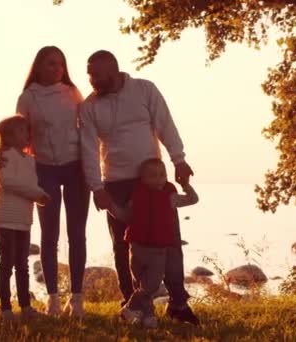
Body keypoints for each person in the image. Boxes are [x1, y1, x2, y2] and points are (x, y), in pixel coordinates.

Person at [79, 50, 200, 325]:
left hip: (153, 181)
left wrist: (179, 160)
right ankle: (132, 305)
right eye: (89, 75)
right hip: (116, 184)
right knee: (124, 248)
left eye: (96, 74)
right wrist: (97, 188)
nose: (91, 80)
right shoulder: (89, 107)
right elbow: (88, 149)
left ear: (113, 70)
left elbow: (166, 125)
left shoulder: (144, 90)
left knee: (169, 243)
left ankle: (178, 305)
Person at [14, 46, 90, 316]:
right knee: (49, 235)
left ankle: (77, 299)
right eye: (50, 64)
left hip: (76, 168)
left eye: (60, 64)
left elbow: (88, 130)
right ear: (38, 66)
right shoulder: (28, 97)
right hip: (44, 169)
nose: (56, 68)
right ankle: (53, 299)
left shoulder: (72, 93)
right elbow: (19, 137)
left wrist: (93, 169)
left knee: (77, 233)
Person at [110, 158, 199, 328]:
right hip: (136, 249)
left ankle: (129, 309)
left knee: (151, 285)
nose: (158, 179)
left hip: (158, 251)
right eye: (152, 176)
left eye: (162, 175)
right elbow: (125, 216)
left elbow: (193, 199)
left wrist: (185, 185)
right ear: (142, 179)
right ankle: (148, 317)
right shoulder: (137, 196)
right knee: (143, 284)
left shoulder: (170, 196)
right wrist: (109, 206)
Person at [0, 115, 49, 322]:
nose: (28, 136)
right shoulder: (5, 156)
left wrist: (40, 195)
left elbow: (30, 185)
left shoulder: (29, 160)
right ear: (10, 136)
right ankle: (6, 308)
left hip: (24, 220)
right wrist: (36, 194)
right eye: (24, 131)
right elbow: (8, 182)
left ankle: (26, 306)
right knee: (6, 264)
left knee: (23, 265)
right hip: (7, 220)